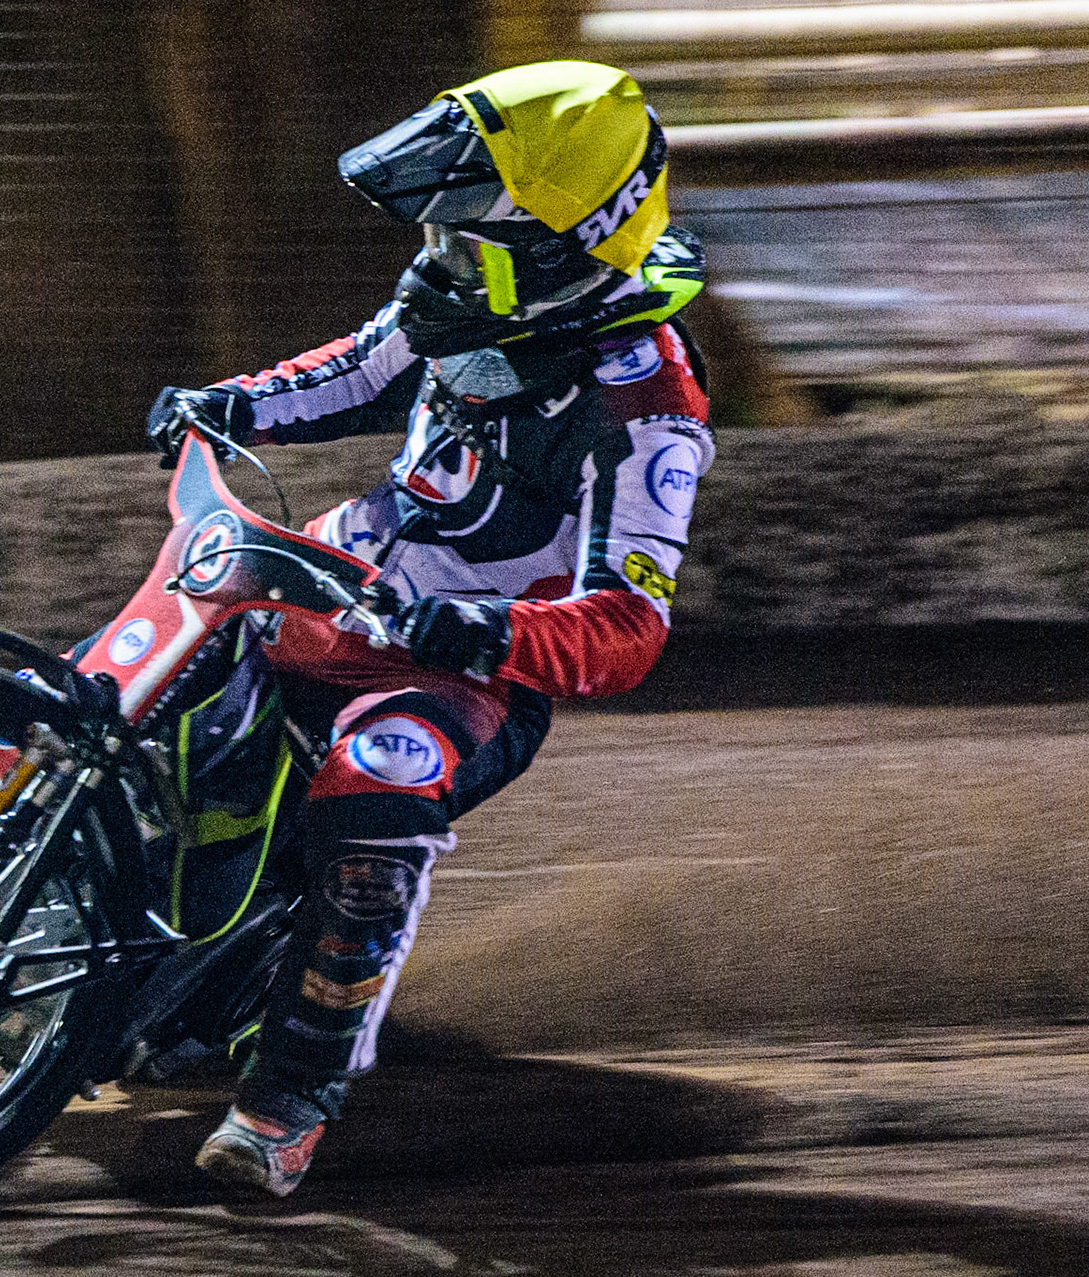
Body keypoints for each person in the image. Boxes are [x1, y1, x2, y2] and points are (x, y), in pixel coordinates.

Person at [141, 60, 716, 1196]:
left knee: (375, 785)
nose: (438, 260)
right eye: (442, 234)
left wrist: (484, 631)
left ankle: (289, 1099)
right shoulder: (474, 300)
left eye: (469, 240)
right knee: (132, 697)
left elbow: (625, 628)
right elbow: (357, 371)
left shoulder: (647, 411)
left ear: (561, 252)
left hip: (459, 673)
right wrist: (227, 403)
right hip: (326, 582)